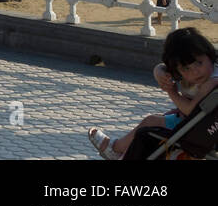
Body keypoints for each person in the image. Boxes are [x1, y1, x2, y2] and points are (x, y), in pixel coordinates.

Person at [89, 28, 218, 159]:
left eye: (199, 63)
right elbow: (164, 68)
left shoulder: (212, 82)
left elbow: (191, 110)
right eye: (186, 68)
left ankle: (115, 148)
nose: (195, 71)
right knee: (154, 125)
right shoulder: (205, 73)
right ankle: (122, 152)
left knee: (150, 122)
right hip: (198, 125)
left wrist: (172, 92)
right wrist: (159, 71)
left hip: (196, 130)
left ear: (209, 54)